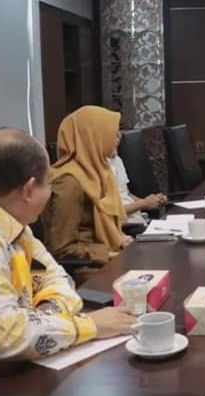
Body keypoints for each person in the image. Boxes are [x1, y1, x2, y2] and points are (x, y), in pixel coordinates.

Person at [0, 127, 135, 394]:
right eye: (49, 183)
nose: (50, 192)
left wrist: (38, 321)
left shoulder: (7, 219)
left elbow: (60, 279)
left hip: (5, 371)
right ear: (28, 189)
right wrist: (91, 325)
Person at [41, 105, 132, 283]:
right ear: (92, 137)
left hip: (108, 257)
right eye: (112, 132)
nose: (118, 137)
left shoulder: (98, 171)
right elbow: (62, 249)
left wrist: (119, 239)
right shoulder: (69, 181)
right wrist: (107, 253)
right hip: (87, 269)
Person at [108, 131, 167, 226]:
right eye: (114, 135)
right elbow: (111, 212)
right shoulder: (95, 169)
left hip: (138, 218)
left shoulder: (117, 159)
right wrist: (143, 203)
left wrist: (151, 201)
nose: (119, 138)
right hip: (124, 225)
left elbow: (126, 194)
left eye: (118, 134)